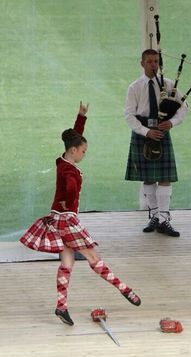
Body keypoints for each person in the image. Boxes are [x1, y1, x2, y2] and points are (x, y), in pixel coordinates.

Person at [20, 101, 141, 326]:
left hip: (57, 219)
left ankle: (61, 306)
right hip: (67, 220)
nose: (84, 154)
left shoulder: (63, 160)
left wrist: (81, 117)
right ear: (74, 150)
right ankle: (125, 290)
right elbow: (70, 188)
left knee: (67, 263)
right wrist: (68, 198)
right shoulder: (69, 172)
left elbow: (74, 138)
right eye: (83, 151)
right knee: (93, 258)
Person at [125, 49, 188, 237]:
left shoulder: (168, 85)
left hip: (161, 132)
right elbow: (129, 115)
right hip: (144, 133)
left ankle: (164, 219)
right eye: (150, 61)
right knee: (149, 177)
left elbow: (184, 106)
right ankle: (154, 216)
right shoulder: (135, 87)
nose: (154, 65)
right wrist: (146, 131)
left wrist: (172, 122)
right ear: (142, 63)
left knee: (165, 178)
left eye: (156, 61)